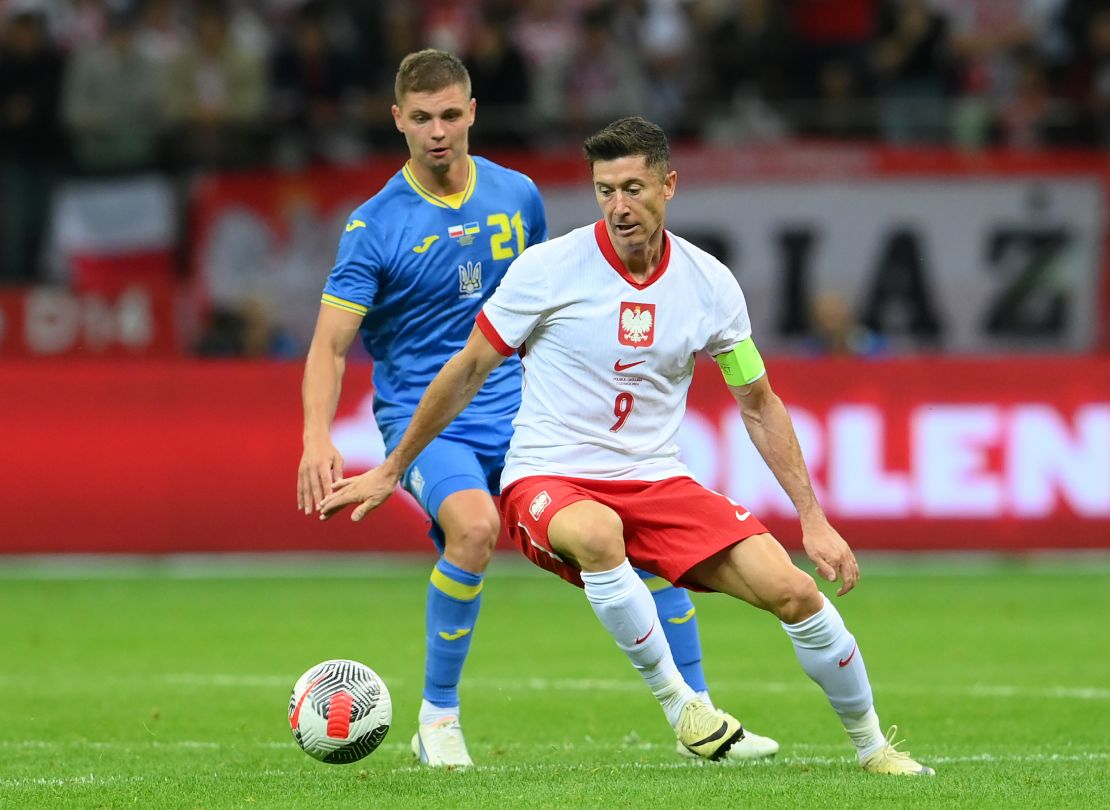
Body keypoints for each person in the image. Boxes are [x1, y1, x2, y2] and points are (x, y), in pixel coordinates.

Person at [318, 115, 935, 775]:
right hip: (547, 479)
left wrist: (812, 518)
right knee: (601, 531)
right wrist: (394, 466)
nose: (618, 206)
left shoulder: (709, 284)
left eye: (633, 188)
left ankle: (875, 748)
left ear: (669, 186)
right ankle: (684, 712)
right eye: (604, 189)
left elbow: (758, 401)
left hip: (657, 481)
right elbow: (468, 367)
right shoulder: (547, 270)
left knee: (794, 592)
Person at [298, 53, 777, 768]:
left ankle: (699, 716)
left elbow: (549, 300)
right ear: (398, 120)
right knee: (475, 529)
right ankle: (438, 719)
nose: (438, 132)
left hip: (528, 411)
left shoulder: (516, 196)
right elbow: (330, 347)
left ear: (473, 113)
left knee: (640, 538)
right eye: (422, 118)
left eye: (451, 115)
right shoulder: (373, 228)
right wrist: (314, 437)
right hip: (427, 419)